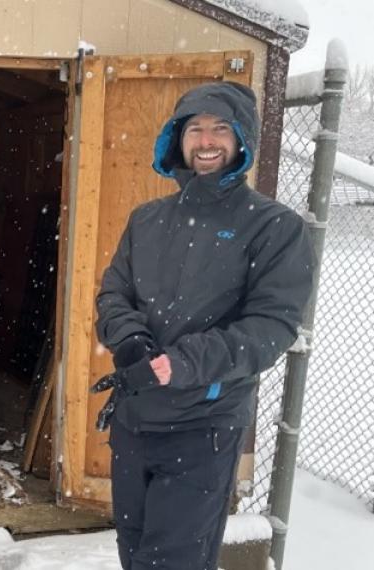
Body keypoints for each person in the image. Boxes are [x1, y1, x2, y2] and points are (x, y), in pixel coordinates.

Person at [92, 81, 316, 570]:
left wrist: (183, 363)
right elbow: (113, 292)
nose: (206, 140)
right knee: (134, 551)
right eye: (195, 128)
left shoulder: (274, 227)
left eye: (220, 128)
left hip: (202, 425)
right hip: (134, 418)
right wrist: (129, 341)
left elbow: (271, 326)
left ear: (241, 140)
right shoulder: (147, 219)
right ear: (178, 139)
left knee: (173, 562)